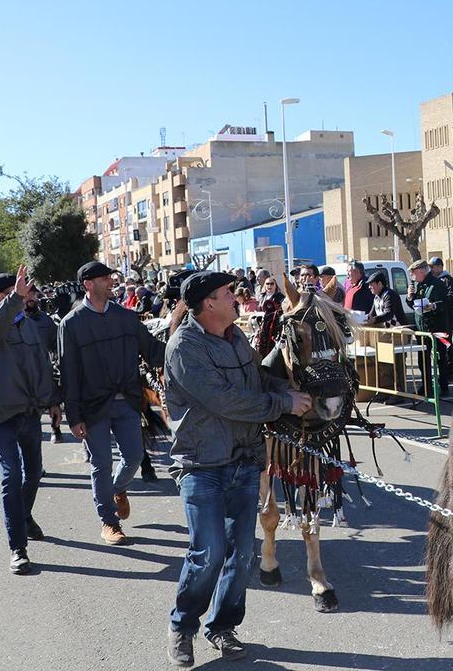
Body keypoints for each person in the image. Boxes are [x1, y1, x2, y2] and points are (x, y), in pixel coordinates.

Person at [164, 270, 313, 667]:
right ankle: (183, 625)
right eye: (228, 293)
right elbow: (226, 401)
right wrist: (283, 405)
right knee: (208, 552)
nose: (237, 296)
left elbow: (257, 379)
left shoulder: (236, 338)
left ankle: (222, 626)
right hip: (202, 464)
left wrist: (290, 391)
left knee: (241, 553)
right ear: (208, 304)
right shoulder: (184, 347)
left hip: (245, 460)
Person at [58, 261, 178, 546]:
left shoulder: (126, 318)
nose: (111, 282)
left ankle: (116, 489)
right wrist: (73, 416)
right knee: (100, 463)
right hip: (92, 406)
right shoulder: (71, 324)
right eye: (104, 279)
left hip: (127, 402)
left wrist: (183, 345)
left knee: (135, 456)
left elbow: (153, 350)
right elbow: (69, 373)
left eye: (111, 278)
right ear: (88, 284)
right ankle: (109, 522)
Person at [0, 267, 63, 574]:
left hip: (29, 411)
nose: (30, 295)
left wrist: (52, 401)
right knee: (11, 476)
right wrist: (14, 299)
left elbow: (41, 365)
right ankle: (17, 547)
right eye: (21, 291)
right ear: (4, 296)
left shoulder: (29, 326)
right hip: (0, 413)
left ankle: (23, 516)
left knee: (34, 471)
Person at [22, 283, 64, 442]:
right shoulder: (14, 320)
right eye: (26, 295)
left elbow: (55, 343)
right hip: (23, 372)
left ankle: (56, 429)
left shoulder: (45, 320)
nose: (30, 298)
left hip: (44, 368)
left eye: (32, 295)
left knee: (53, 400)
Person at [408, 259, 450, 397]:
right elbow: (414, 306)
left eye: (413, 273)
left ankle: (444, 386)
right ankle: (426, 386)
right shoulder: (419, 286)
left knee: (440, 358)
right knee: (423, 360)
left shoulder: (437, 284)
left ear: (421, 271)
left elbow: (446, 302)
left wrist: (433, 306)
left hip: (437, 327)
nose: (412, 277)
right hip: (422, 328)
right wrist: (410, 296)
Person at [430, 258, 453, 379]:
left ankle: (452, 370)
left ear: (440, 267)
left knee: (446, 342)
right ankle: (448, 370)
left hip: (447, 317)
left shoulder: (447, 280)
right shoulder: (435, 280)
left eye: (433, 266)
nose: (431, 269)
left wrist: (439, 304)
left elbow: (451, 298)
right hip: (438, 317)